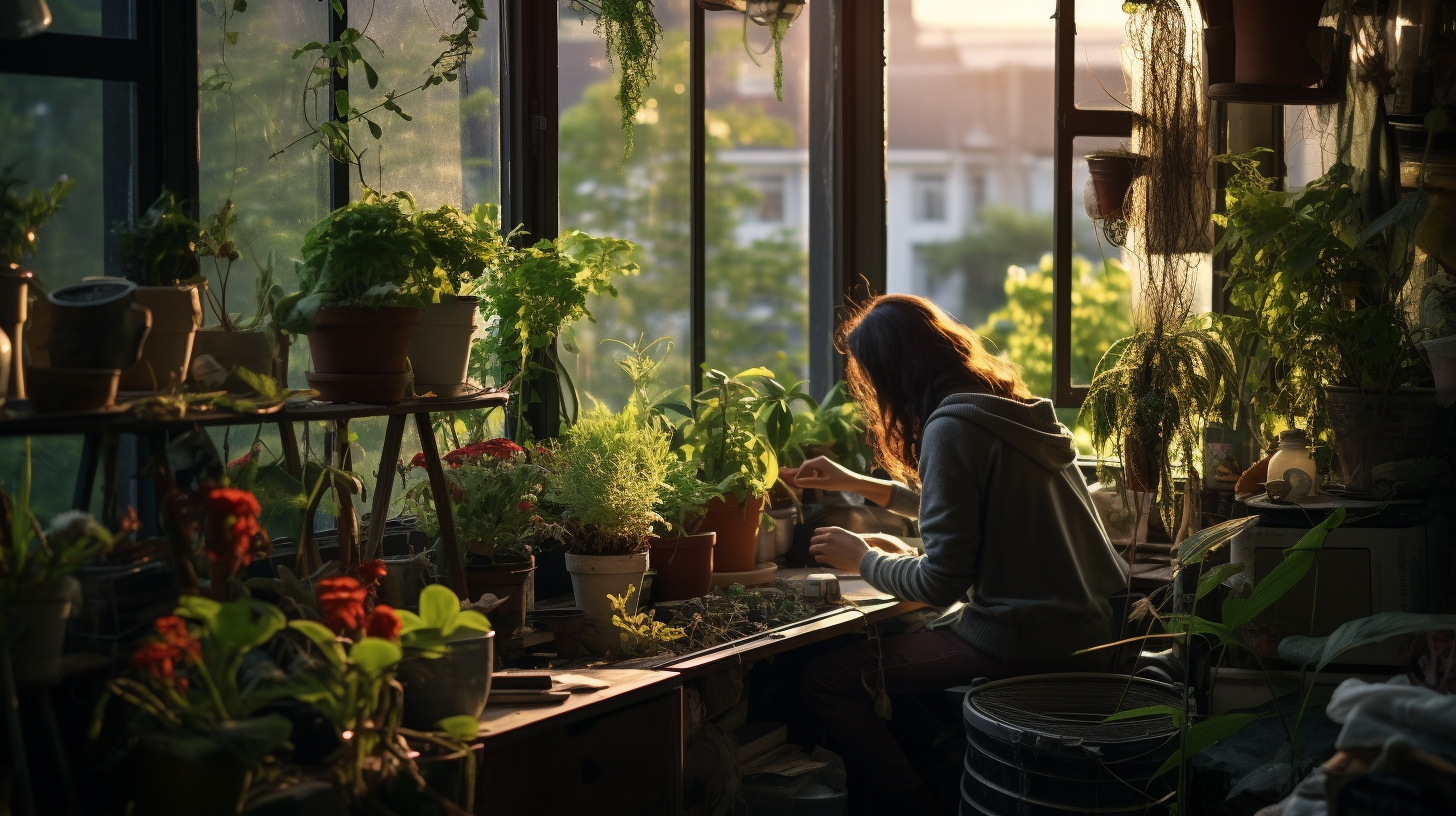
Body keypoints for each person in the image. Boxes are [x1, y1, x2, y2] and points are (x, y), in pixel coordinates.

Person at [782, 294, 1130, 814]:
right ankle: (945, 774)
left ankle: (919, 805)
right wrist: (862, 484)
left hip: (1024, 637)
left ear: (893, 372)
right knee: (899, 659)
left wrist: (863, 560)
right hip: (1087, 626)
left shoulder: (950, 428)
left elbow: (941, 580)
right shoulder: (1009, 413)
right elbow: (972, 510)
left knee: (827, 680)